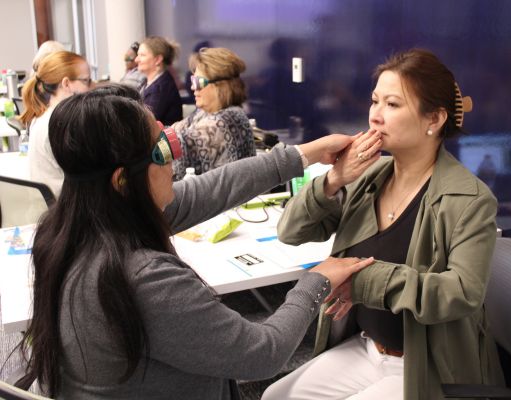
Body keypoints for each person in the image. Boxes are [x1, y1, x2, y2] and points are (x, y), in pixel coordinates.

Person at [16, 85, 375, 399]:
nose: (173, 160)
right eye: (161, 150)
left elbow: (212, 189)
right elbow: (261, 353)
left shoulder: (77, 224)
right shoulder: (143, 278)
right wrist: (318, 280)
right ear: (122, 180)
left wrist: (306, 153)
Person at [263, 49, 504, 399]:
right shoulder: (369, 176)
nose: (375, 116)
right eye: (375, 101)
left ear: (433, 119)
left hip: (424, 363)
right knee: (275, 396)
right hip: (367, 347)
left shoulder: (469, 199)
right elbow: (291, 231)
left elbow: (463, 293)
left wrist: (363, 281)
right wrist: (333, 179)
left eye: (392, 105)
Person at [172, 47, 256, 180]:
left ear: (221, 86)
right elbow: (173, 131)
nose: (193, 87)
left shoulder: (226, 120)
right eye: (193, 80)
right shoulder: (204, 112)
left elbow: (176, 147)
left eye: (198, 82)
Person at [19, 50, 92, 196]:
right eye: (86, 81)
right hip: (67, 210)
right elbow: (88, 179)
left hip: (53, 208)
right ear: (66, 84)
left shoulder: (42, 117)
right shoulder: (63, 124)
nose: (91, 87)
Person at [136, 36, 183, 125]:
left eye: (142, 55)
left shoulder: (162, 89)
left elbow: (146, 124)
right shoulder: (147, 82)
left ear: (158, 59)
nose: (136, 59)